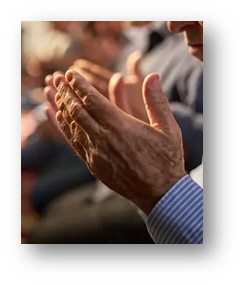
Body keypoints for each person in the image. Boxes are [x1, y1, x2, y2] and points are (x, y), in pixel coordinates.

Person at [45, 21, 203, 244]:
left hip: (161, 192)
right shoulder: (143, 43)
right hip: (134, 189)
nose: (175, 24)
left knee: (46, 228)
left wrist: (159, 187)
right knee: (53, 208)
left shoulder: (191, 55)